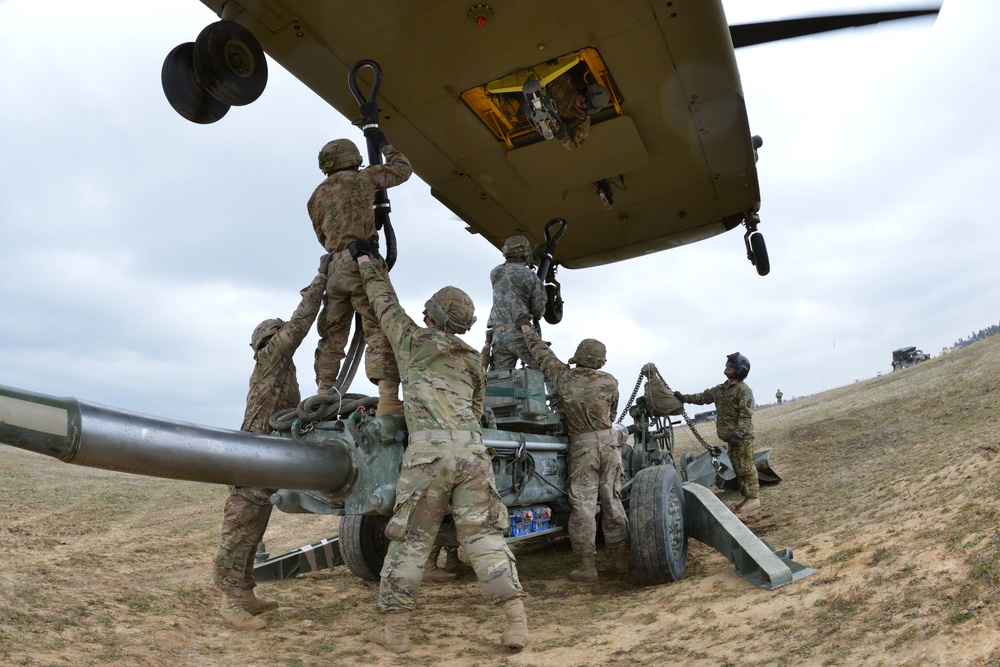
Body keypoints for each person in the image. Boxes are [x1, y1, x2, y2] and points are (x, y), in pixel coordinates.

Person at [350, 242, 528, 653]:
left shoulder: (412, 341)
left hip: (428, 457)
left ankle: (395, 633)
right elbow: (476, 409)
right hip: (471, 454)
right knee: (484, 538)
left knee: (411, 541)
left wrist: (365, 259)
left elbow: (382, 300)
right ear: (464, 325)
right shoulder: (472, 361)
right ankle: (515, 623)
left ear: (429, 313)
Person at [213, 255, 330, 631]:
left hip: (267, 458)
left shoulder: (281, 370)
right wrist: (320, 281)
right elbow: (300, 325)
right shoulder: (271, 358)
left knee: (256, 526)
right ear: (269, 339)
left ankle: (245, 591)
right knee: (239, 528)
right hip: (252, 460)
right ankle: (228, 601)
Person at [309, 130, 413, 415]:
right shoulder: (363, 179)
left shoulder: (315, 197)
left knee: (331, 335)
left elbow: (322, 235)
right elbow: (403, 169)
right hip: (361, 261)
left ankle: (323, 395)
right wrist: (384, 144)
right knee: (379, 325)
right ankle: (389, 399)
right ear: (353, 158)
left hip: (334, 269)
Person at [519, 323, 628, 582]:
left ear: (578, 356)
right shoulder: (610, 381)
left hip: (582, 447)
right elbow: (611, 415)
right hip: (609, 444)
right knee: (612, 501)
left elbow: (542, 355)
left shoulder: (564, 377)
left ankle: (588, 567)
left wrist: (526, 330)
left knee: (583, 505)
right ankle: (620, 561)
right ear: (600, 361)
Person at [674, 352, 760, 514]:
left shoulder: (743, 390)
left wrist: (739, 434)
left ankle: (753, 498)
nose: (727, 367)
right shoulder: (721, 389)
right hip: (731, 438)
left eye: (731, 366)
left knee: (746, 466)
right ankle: (747, 497)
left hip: (742, 437)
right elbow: (702, 397)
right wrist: (683, 398)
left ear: (740, 370)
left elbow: (745, 415)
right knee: (737, 466)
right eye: (727, 365)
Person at [485, 235, 546, 372]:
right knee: (548, 368)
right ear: (525, 254)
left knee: (498, 381)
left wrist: (530, 258)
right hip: (520, 335)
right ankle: (556, 394)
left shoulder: (496, 272)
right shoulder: (530, 276)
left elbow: (513, 270)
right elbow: (538, 311)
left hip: (498, 337)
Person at [545, 75, 609, 150]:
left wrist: (562, 133)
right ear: (584, 90)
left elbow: (574, 145)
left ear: (591, 109)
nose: (583, 100)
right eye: (585, 95)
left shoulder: (582, 119)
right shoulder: (565, 83)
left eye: (587, 103)